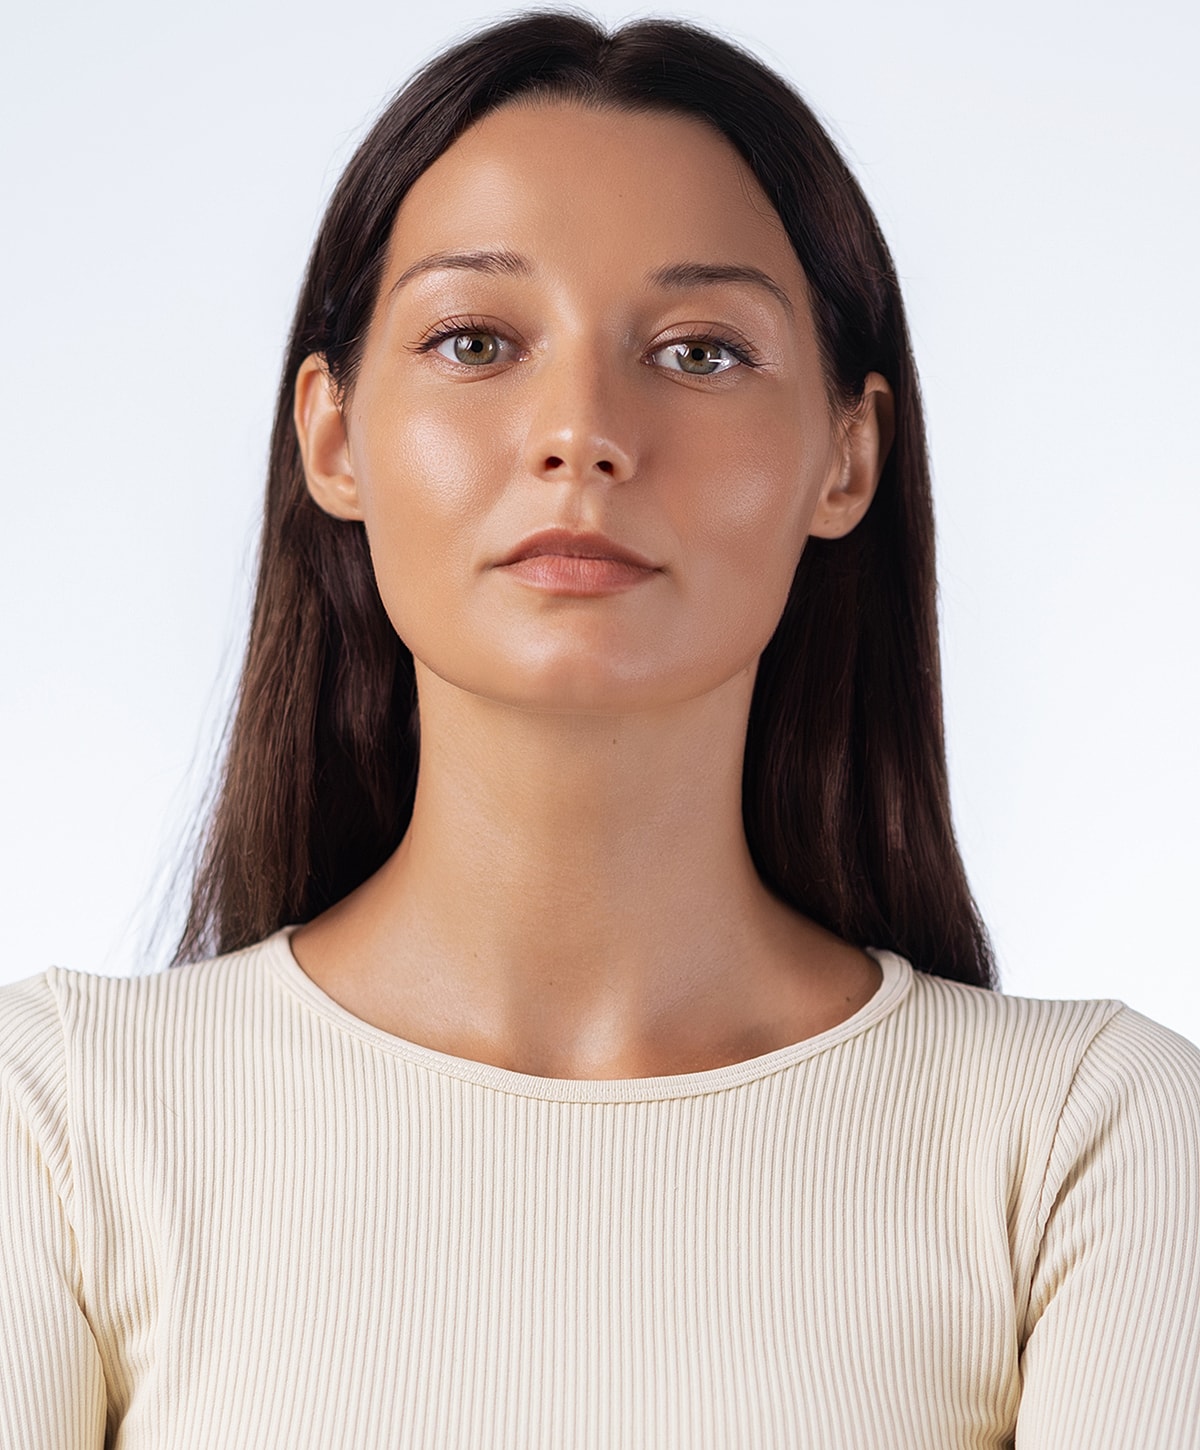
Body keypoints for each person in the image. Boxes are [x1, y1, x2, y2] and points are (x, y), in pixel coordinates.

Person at [2, 10, 1197, 1448]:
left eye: (699, 353)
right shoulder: (61, 1124)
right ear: (333, 439)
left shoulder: (1089, 1145)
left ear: (849, 453)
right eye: (475, 339)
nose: (582, 431)